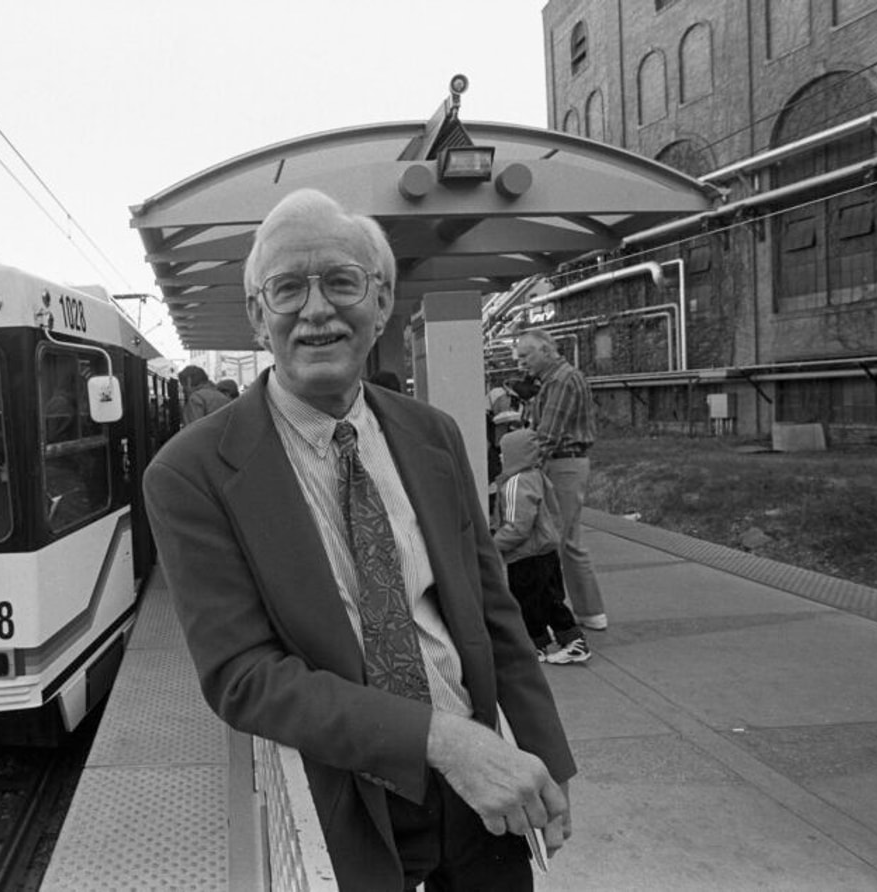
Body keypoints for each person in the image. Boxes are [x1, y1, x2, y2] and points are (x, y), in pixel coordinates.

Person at [144, 189, 575, 891]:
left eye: (342, 281)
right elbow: (243, 677)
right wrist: (439, 740)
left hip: (481, 802)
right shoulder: (192, 475)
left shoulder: (432, 435)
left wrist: (545, 760)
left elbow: (494, 612)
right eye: (287, 289)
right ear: (259, 317)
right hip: (350, 798)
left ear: (381, 304)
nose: (316, 310)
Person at [512, 330, 608, 631]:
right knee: (566, 540)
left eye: (525, 357)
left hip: (562, 464)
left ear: (544, 350)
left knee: (556, 540)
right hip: (564, 463)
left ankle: (575, 612)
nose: (521, 364)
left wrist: (517, 469)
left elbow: (547, 436)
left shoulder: (562, 380)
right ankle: (588, 610)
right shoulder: (556, 380)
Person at [492, 429, 590, 665]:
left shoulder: (516, 482)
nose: (501, 458)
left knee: (530, 602)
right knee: (545, 599)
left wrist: (493, 544)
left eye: (504, 453)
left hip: (526, 555)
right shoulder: (536, 476)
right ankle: (538, 644)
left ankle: (568, 641)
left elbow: (518, 526)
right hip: (545, 551)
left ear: (516, 454)